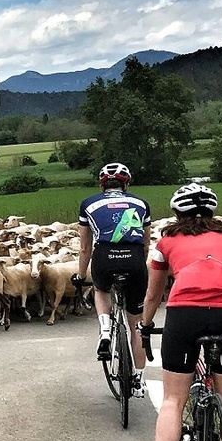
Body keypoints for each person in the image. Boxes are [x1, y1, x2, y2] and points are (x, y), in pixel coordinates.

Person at [138, 183, 222, 441]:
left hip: (185, 313)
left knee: (173, 400)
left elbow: (153, 294)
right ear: (212, 211)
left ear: (177, 212)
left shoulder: (166, 242)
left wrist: (146, 325)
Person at [75, 161, 150, 397]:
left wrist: (80, 275)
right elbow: (146, 244)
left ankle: (105, 329)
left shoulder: (88, 204)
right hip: (134, 259)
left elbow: (85, 248)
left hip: (104, 257)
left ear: (102, 184)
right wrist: (137, 264)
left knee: (101, 289)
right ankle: (139, 380)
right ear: (126, 184)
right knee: (136, 325)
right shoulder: (141, 204)